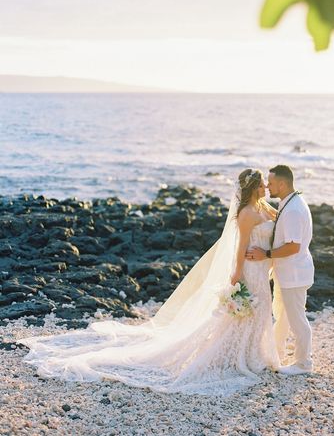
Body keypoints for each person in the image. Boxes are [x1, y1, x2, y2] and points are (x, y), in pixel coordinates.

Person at [18, 169, 280, 396]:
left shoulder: (261, 207)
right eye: (261, 185)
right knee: (244, 313)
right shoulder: (246, 213)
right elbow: (240, 247)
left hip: (261, 267)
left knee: (257, 311)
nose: (265, 188)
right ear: (251, 188)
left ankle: (251, 354)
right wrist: (235, 276)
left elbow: (276, 224)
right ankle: (234, 357)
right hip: (249, 269)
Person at [246, 165, 314, 375]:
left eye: (271, 182)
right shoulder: (289, 203)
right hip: (288, 273)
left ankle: (303, 364)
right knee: (283, 317)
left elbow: (293, 246)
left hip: (294, 274)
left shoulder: (293, 209)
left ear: (282, 184)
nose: (267, 185)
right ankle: (277, 353)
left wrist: (265, 254)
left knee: (297, 319)